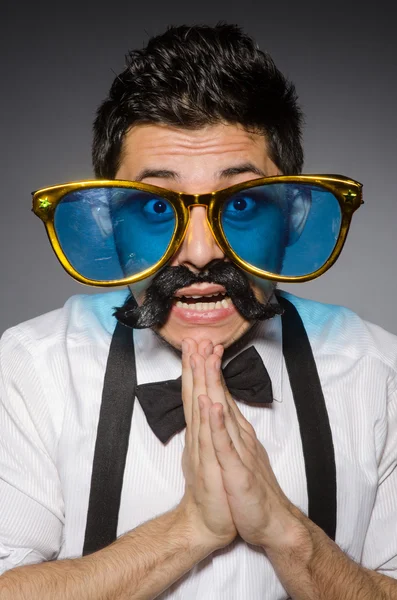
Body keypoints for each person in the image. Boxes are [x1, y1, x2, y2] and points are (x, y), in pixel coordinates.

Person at [1, 23, 396, 600]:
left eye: (239, 202)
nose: (201, 251)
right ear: (110, 223)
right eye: (157, 207)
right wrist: (189, 530)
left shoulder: (381, 373)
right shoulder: (28, 368)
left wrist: (289, 537)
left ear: (290, 217)